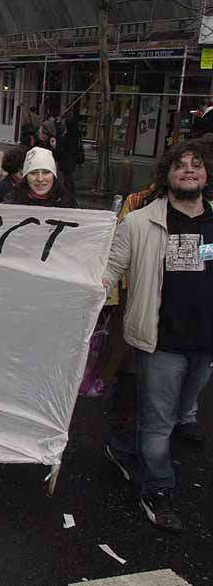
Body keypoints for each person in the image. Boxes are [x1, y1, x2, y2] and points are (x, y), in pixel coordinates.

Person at [103, 141, 213, 533]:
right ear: (165, 174)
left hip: (205, 344)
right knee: (159, 423)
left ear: (206, 174)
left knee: (180, 412)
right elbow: (110, 269)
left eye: (196, 165)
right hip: (160, 342)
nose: (188, 171)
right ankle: (157, 491)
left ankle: (120, 448)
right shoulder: (139, 223)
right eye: (180, 165)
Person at [3, 147, 78, 208]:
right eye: (33, 173)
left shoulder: (67, 203)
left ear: (54, 175)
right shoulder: (11, 202)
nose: (40, 179)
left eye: (46, 172)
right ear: (26, 176)